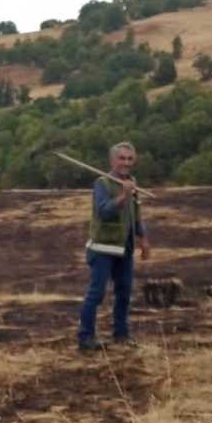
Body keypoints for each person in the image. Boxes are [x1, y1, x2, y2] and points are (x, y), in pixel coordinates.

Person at [77, 142, 149, 351]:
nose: (126, 162)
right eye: (122, 158)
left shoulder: (133, 182)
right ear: (112, 161)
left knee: (124, 292)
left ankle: (121, 335)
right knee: (96, 294)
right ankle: (86, 338)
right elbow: (104, 211)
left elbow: (136, 215)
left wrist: (143, 238)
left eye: (129, 159)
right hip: (102, 249)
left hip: (125, 249)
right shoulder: (102, 183)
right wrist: (123, 196)